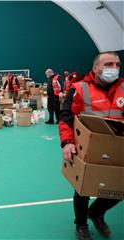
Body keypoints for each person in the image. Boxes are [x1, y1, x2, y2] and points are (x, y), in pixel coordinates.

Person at [59, 51, 123, 240]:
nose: (114, 68)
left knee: (118, 187)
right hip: (86, 146)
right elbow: (66, 118)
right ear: (96, 68)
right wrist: (67, 143)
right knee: (83, 188)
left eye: (117, 64)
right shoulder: (79, 89)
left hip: (117, 146)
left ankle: (95, 212)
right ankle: (81, 224)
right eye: (109, 64)